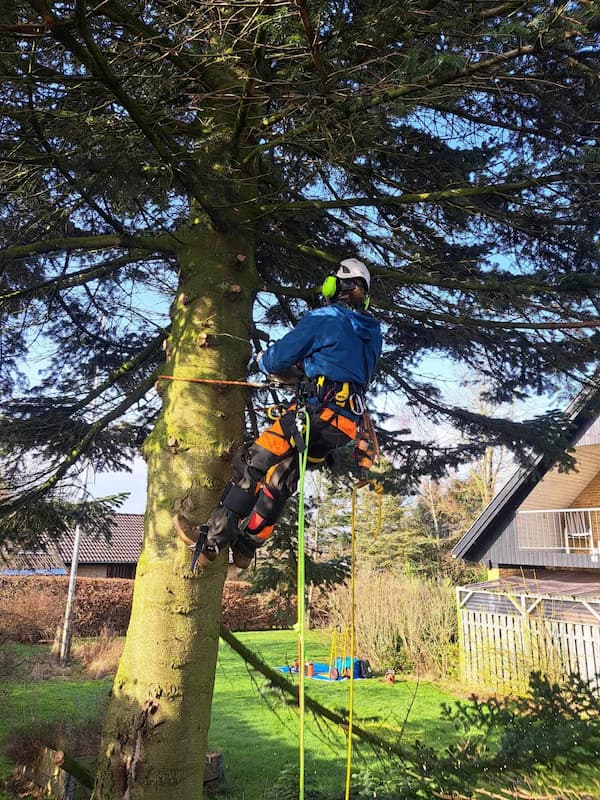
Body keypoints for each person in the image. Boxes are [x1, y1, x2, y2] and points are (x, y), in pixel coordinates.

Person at [174, 258, 383, 569]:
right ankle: (247, 546)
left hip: (315, 415)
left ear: (335, 285)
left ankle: (212, 543)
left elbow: (278, 358)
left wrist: (262, 360)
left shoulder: (325, 318)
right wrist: (305, 373)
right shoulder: (372, 332)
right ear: (362, 293)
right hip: (343, 425)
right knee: (281, 477)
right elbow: (346, 367)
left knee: (253, 464)